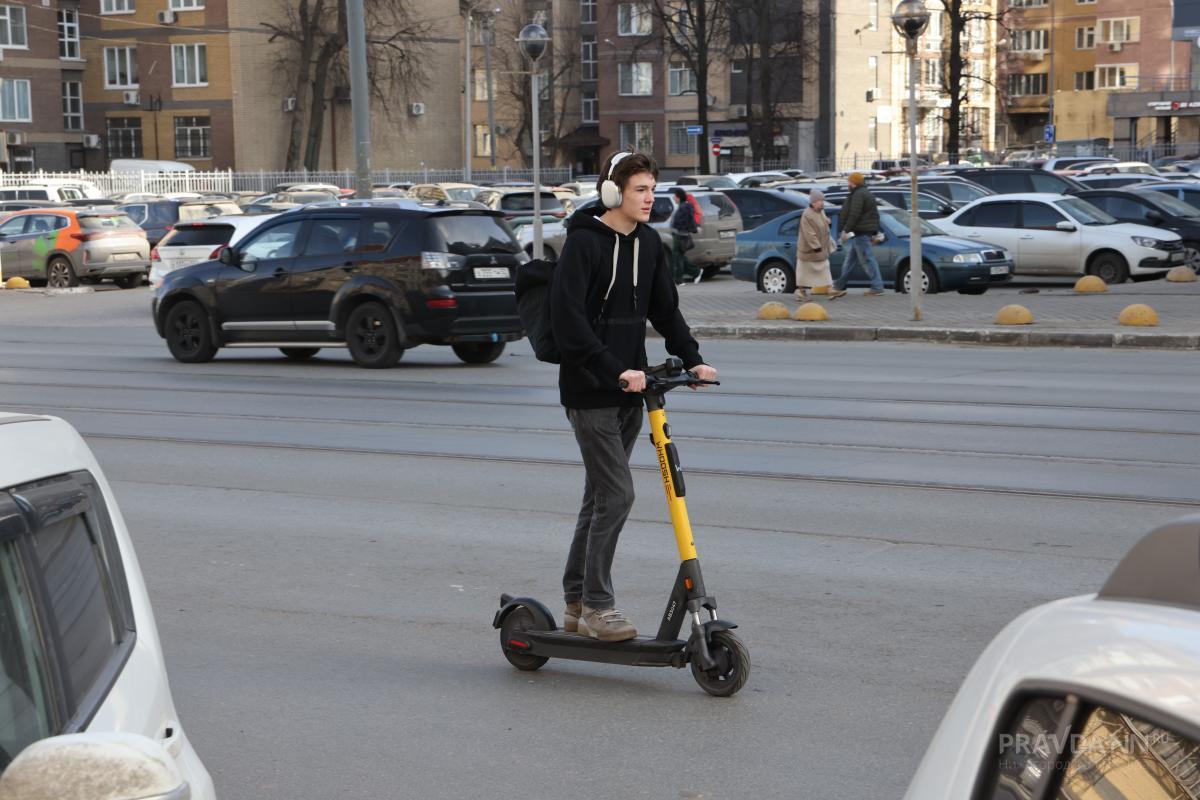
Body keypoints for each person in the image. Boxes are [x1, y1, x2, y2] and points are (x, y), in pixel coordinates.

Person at [550, 151, 717, 642]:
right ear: (612, 192)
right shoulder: (583, 245)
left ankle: (576, 602)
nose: (650, 198)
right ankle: (599, 607)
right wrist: (613, 369)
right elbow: (569, 324)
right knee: (617, 496)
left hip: (631, 390)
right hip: (590, 390)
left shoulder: (649, 243)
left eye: (652, 189)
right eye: (640, 189)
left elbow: (666, 311)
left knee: (599, 498)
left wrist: (692, 359)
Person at [828, 172, 884, 299]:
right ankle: (838, 285)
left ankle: (877, 287)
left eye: (849, 181)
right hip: (860, 232)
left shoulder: (859, 194)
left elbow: (854, 214)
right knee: (850, 261)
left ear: (854, 182)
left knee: (868, 260)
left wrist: (846, 230)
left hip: (860, 232)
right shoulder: (863, 193)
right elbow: (873, 215)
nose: (848, 183)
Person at [795, 189, 834, 302]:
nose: (822, 203)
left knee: (825, 268)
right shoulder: (807, 214)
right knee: (803, 273)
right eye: (820, 201)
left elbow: (824, 228)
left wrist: (829, 224)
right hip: (808, 250)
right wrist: (816, 247)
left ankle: (831, 289)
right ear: (813, 202)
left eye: (823, 200)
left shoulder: (821, 212)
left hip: (820, 249)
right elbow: (809, 233)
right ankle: (801, 292)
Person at [668, 187, 701, 285]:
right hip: (679, 234)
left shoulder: (684, 207)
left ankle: (679, 280)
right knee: (679, 257)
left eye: (675, 196)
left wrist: (693, 229)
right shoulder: (683, 206)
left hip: (680, 235)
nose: (674, 198)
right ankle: (696, 272)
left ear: (678, 197)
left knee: (677, 258)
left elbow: (687, 221)